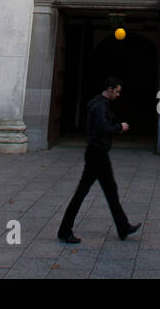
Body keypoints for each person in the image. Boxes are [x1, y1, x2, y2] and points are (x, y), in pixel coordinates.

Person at [57, 76, 141, 243]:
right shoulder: (100, 106)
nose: (118, 95)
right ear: (109, 89)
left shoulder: (98, 103)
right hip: (97, 155)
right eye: (117, 91)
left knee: (111, 191)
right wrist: (119, 127)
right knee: (82, 193)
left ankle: (123, 226)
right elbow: (102, 128)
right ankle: (64, 230)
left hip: (99, 154)